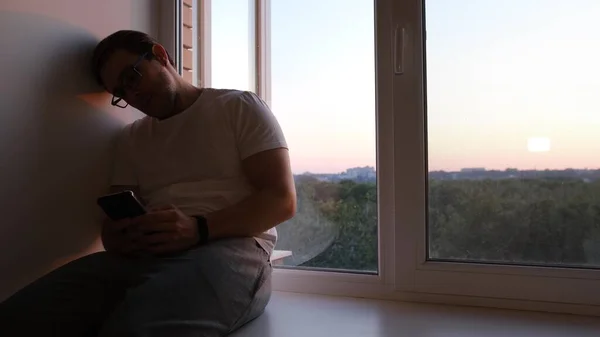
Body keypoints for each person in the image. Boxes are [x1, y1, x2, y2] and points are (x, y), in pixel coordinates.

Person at [0, 30, 296, 337]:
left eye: (133, 77)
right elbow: (114, 218)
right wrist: (119, 236)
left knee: (137, 327)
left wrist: (197, 228)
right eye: (121, 93)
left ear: (160, 54)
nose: (132, 95)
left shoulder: (238, 106)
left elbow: (281, 200)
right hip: (148, 254)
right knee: (17, 318)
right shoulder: (132, 138)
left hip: (233, 249)